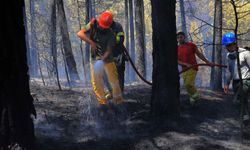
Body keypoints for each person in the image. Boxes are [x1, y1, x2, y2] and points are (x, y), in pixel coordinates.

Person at [77, 10, 124, 106]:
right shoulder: (93, 23)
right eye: (102, 25)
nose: (102, 28)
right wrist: (92, 43)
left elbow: (109, 50)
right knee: (96, 82)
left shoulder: (111, 33)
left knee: (114, 82)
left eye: (105, 27)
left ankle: (119, 103)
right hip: (94, 59)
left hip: (108, 60)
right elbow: (80, 34)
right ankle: (102, 104)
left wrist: (102, 60)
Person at [177, 32, 212, 106]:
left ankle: (196, 96)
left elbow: (199, 54)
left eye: (181, 37)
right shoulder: (176, 49)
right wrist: (185, 64)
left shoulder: (191, 45)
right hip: (184, 69)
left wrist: (207, 62)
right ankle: (192, 100)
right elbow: (177, 61)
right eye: (178, 37)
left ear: (184, 37)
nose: (180, 39)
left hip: (192, 67)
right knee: (187, 86)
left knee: (188, 84)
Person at [222, 32, 250, 123]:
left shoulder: (245, 53)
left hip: (246, 81)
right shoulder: (228, 56)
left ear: (235, 43)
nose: (228, 47)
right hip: (235, 82)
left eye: (229, 45)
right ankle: (245, 122)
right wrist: (226, 83)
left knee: (237, 100)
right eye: (226, 46)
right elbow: (229, 70)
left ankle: (246, 118)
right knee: (243, 101)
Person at [104, 20, 128, 100]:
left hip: (118, 55)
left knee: (119, 74)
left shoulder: (117, 26)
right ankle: (111, 92)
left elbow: (121, 39)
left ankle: (119, 94)